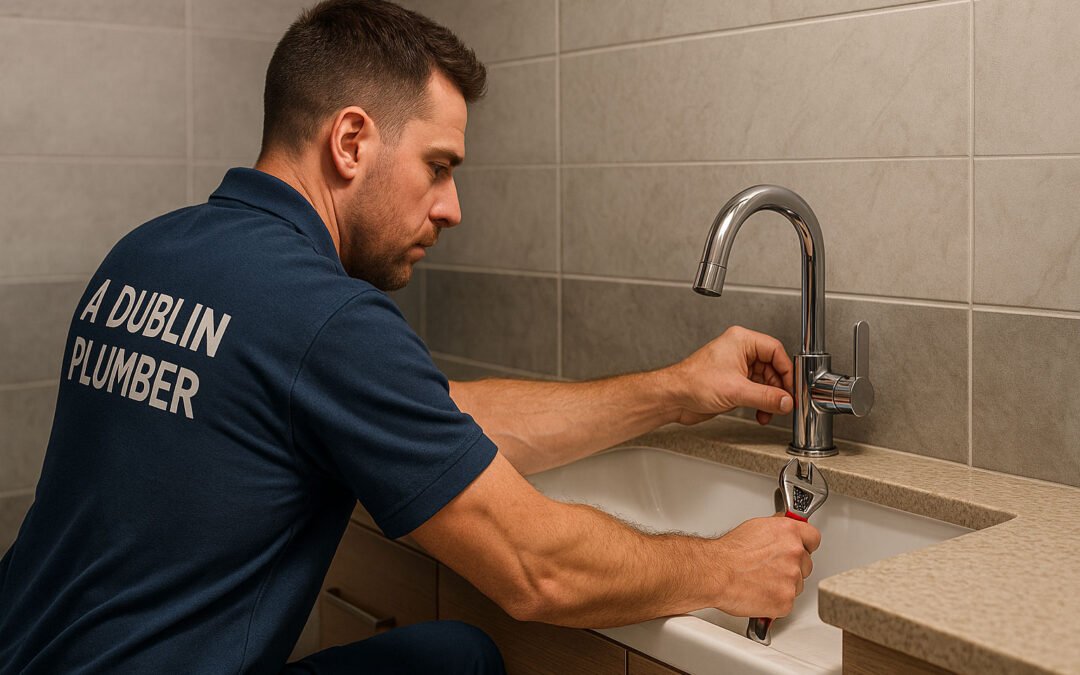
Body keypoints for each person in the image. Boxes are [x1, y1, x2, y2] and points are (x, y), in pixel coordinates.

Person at [0, 1, 819, 673]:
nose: (451, 206)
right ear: (351, 141)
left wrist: (675, 390)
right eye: (438, 165)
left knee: (448, 654)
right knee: (458, 661)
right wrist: (723, 566)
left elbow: (433, 417)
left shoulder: (149, 250)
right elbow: (540, 569)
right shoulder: (325, 317)